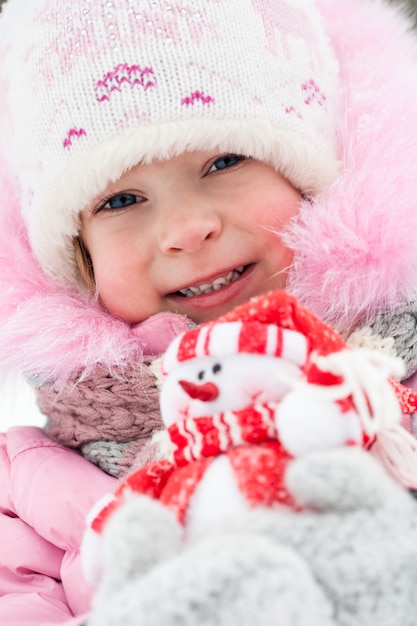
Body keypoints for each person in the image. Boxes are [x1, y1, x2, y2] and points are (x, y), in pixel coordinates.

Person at [1, 0, 417, 623]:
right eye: (121, 199)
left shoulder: (392, 402)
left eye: (224, 161)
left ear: (315, 177)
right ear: (78, 256)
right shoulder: (32, 489)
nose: (187, 228)